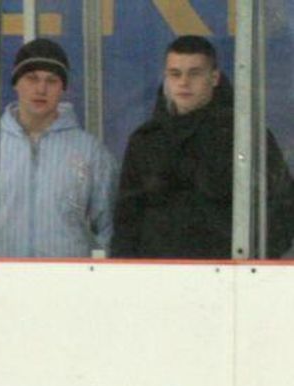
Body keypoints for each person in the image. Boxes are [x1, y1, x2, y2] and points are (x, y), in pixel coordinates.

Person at [112, 35, 294, 259]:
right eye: (175, 74)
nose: (184, 82)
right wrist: (126, 270)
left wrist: (252, 264)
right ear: (166, 77)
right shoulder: (145, 141)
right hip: (156, 275)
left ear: (214, 77)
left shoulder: (245, 137)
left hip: (229, 274)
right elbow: (126, 220)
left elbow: (282, 209)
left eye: (194, 73)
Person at [0, 37, 118, 258]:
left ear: (63, 88)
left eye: (52, 80)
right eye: (32, 78)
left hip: (69, 277)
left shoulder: (91, 152)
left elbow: (109, 229)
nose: (41, 89)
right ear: (16, 83)